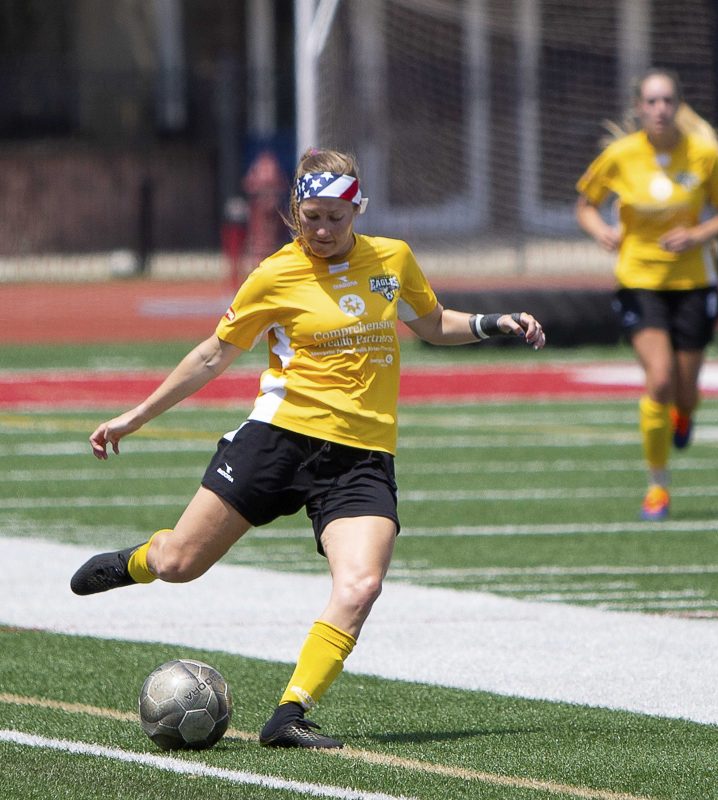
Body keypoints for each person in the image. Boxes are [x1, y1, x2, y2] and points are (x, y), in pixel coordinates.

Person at [70, 147, 546, 748]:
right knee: (179, 565)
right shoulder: (275, 273)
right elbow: (214, 354)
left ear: (357, 212)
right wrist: (136, 416)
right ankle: (139, 561)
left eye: (334, 219)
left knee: (362, 584)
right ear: (296, 211)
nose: (321, 231)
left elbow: (431, 323)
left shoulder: (392, 259)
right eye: (311, 218)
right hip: (278, 439)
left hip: (362, 455)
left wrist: (491, 324)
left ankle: (290, 712)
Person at [575, 67, 718, 521]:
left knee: (684, 392)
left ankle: (685, 414)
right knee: (661, 379)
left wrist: (699, 234)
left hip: (693, 283)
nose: (660, 109)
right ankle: (657, 487)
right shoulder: (620, 155)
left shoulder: (704, 155)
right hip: (639, 280)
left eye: (668, 100)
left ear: (678, 106)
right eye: (651, 101)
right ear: (638, 108)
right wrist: (601, 231)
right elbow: (586, 204)